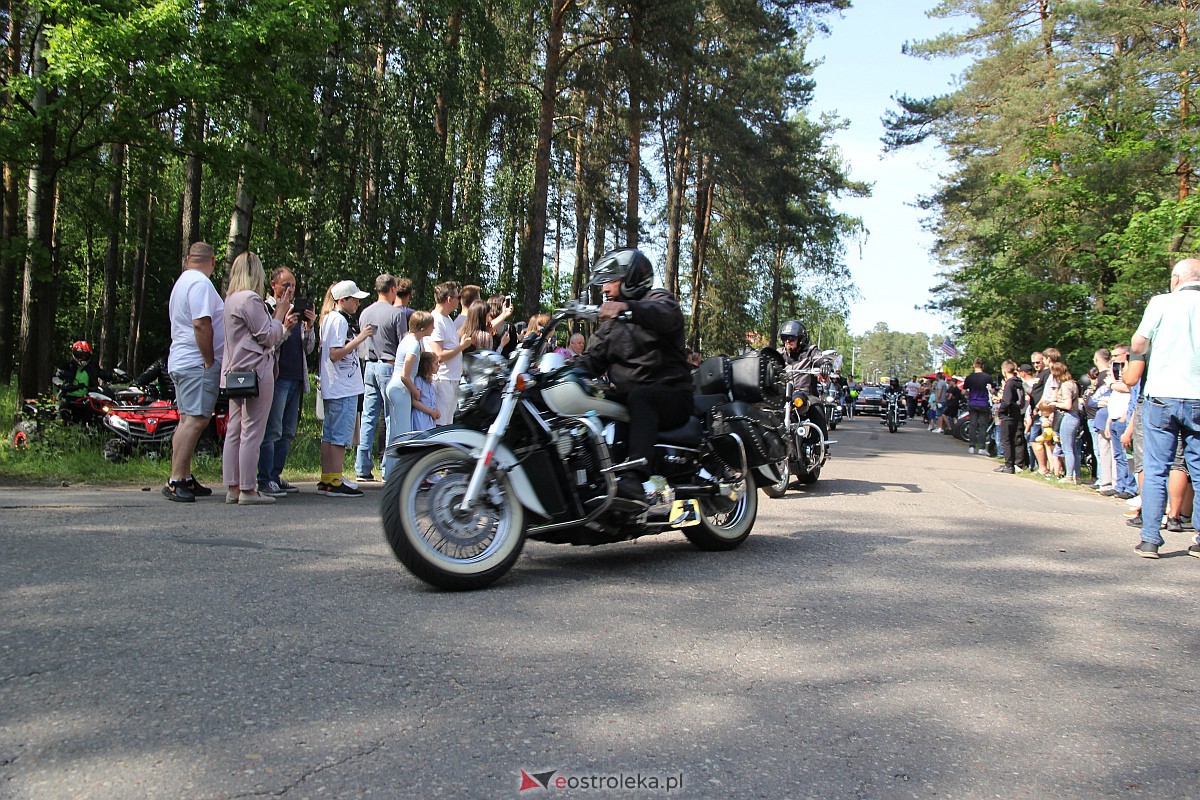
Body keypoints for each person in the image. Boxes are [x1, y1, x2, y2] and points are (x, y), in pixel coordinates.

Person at [571, 248, 693, 501]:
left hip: (671, 394)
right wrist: (557, 371)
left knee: (641, 395)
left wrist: (625, 308)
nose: (604, 289)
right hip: (632, 401)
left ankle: (635, 479)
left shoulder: (658, 300)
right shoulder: (611, 327)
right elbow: (592, 360)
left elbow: (665, 315)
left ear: (632, 277)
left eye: (611, 280)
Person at [1121, 258, 1200, 558]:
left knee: (1156, 468)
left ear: (1177, 278)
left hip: (1163, 394)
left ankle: (1151, 538)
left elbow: (1139, 343)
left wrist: (1136, 363)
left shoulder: (1162, 303)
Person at [220, 252, 294, 506]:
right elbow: (268, 336)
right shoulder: (250, 299)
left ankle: (232, 485)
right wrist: (280, 314)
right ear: (256, 274)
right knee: (252, 431)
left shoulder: (230, 299)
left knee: (235, 429)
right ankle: (248, 489)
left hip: (235, 371)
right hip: (256, 371)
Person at [164, 242, 224, 503]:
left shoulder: (183, 281)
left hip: (182, 360)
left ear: (189, 259)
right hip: (196, 362)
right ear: (212, 261)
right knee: (197, 420)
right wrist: (209, 359)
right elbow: (201, 323)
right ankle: (176, 479)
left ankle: (184, 476)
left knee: (187, 419)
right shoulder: (200, 283)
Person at [256, 267, 316, 497]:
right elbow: (268, 344)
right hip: (276, 377)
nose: (290, 290)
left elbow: (308, 348)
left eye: (292, 285)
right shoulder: (266, 309)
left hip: (296, 377)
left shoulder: (294, 311)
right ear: (273, 285)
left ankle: (276, 474)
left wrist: (308, 328)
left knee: (288, 431)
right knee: (272, 429)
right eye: (285, 285)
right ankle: (265, 478)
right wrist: (284, 326)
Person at [318, 280, 373, 497]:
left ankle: (328, 477)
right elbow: (335, 353)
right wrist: (359, 339)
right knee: (340, 435)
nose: (357, 304)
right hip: (342, 386)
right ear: (342, 300)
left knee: (330, 433)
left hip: (336, 385)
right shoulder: (339, 321)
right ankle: (335, 479)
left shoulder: (330, 319)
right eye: (355, 300)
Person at [355, 274, 407, 482]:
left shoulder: (365, 313)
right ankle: (389, 467)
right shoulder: (396, 314)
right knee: (390, 418)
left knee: (368, 417)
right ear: (393, 289)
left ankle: (362, 465)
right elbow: (402, 344)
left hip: (369, 365)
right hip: (389, 366)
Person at [383, 311, 435, 478]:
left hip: (394, 387)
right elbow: (405, 375)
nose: (433, 328)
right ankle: (399, 475)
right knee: (403, 435)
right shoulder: (414, 345)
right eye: (431, 326)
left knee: (394, 433)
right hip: (401, 388)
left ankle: (391, 473)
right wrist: (415, 391)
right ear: (422, 327)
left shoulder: (408, 339)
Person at [428, 281, 473, 423]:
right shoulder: (436, 320)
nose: (459, 301)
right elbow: (438, 355)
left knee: (448, 423)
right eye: (457, 297)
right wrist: (462, 346)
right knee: (440, 424)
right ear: (449, 299)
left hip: (452, 379)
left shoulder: (447, 319)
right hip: (442, 380)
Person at [55, 341, 116, 419]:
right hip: (69, 399)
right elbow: (56, 376)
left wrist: (116, 377)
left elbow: (103, 374)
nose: (82, 358)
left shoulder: (92, 367)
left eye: (85, 355)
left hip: (87, 399)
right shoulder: (68, 366)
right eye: (80, 355)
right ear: (75, 354)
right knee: (63, 415)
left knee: (98, 415)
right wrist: (62, 385)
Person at [1048, 360, 1082, 483]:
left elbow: (1067, 405)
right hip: (1074, 416)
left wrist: (1055, 403)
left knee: (1067, 448)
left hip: (1068, 416)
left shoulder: (1066, 385)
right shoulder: (1073, 383)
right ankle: (1076, 475)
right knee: (1072, 448)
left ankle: (1068, 476)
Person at [995, 360, 1028, 473]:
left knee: (1006, 440)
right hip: (1017, 413)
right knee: (1017, 439)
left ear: (1004, 370)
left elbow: (1007, 401)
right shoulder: (1019, 382)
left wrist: (1001, 412)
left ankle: (1009, 465)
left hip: (1008, 415)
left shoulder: (1009, 383)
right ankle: (1018, 463)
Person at [962, 359, 993, 454]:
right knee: (983, 426)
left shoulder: (969, 378)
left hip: (972, 402)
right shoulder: (988, 377)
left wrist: (969, 393)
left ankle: (971, 446)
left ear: (974, 365)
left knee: (973, 424)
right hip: (983, 403)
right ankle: (982, 448)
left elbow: (963, 392)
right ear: (982, 366)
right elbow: (992, 390)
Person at [409, 351, 441, 432]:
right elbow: (415, 401)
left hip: (429, 418)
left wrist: (436, 410)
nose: (438, 366)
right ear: (428, 366)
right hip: (421, 417)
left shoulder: (430, 383)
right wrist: (431, 412)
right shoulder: (419, 380)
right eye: (436, 364)